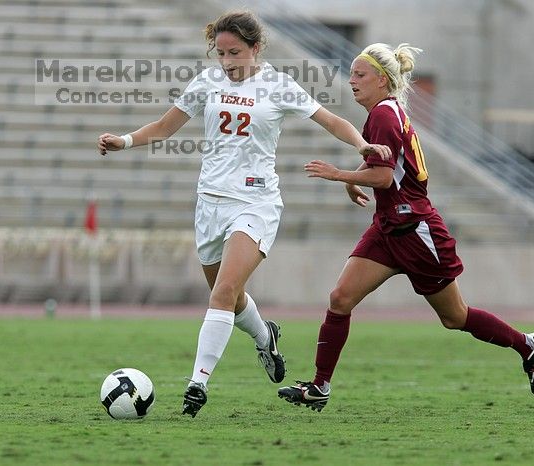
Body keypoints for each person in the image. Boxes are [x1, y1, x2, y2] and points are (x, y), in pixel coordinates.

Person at [97, 11, 391, 418]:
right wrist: (124, 141)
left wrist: (362, 146)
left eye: (235, 52)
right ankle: (264, 336)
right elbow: (164, 128)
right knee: (228, 297)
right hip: (209, 204)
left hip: (255, 203)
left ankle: (197, 384)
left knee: (222, 293)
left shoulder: (278, 85)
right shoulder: (208, 82)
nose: (228, 62)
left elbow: (333, 120)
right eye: (221, 53)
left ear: (256, 48)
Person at [277, 43, 534, 412]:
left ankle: (528, 345)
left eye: (359, 75)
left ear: (382, 80)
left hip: (415, 229)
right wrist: (356, 178)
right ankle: (320, 386)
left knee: (455, 317)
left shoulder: (383, 115)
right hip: (388, 227)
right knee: (340, 299)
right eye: (351, 74)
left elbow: (384, 179)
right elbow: (383, 165)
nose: (352, 82)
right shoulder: (383, 113)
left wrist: (339, 175)